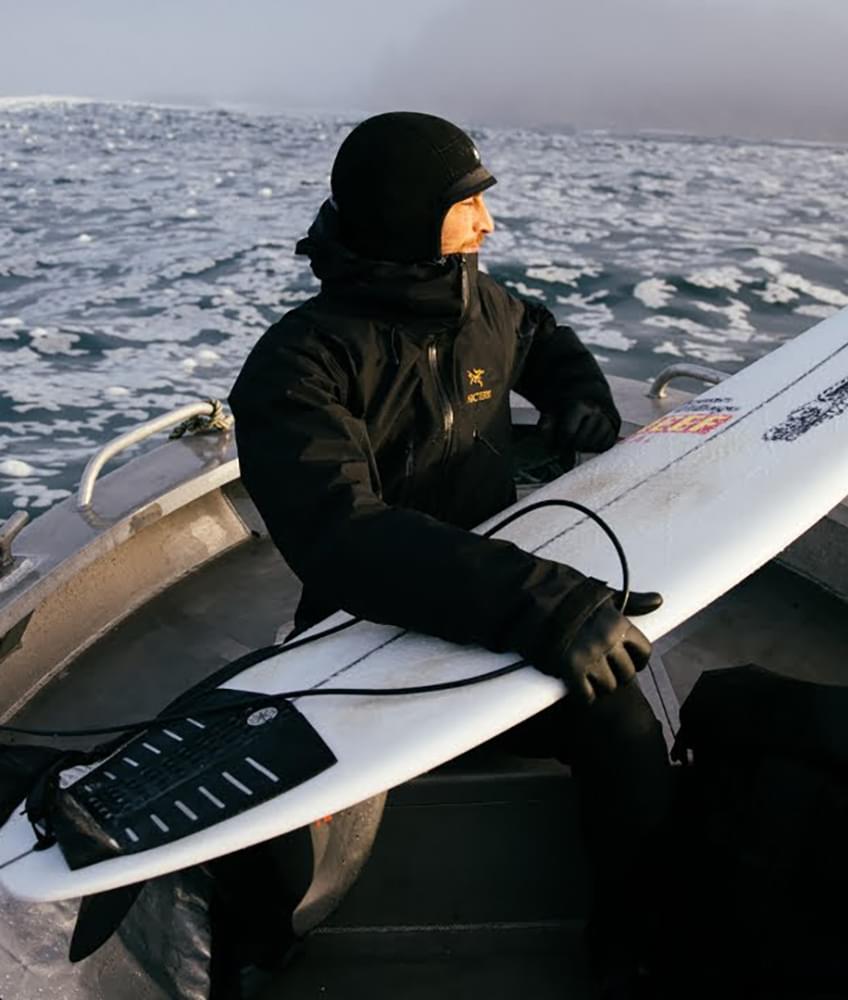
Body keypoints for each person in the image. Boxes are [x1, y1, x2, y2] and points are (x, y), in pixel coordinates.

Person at [229, 111, 672, 998]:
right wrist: (546, 604)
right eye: (469, 204)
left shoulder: (477, 302)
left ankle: (637, 949)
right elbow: (343, 538)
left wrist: (579, 397)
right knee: (260, 802)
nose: (487, 224)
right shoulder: (297, 366)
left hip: (503, 616)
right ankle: (252, 963)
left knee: (626, 725)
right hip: (365, 635)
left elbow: (541, 337)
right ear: (404, 214)